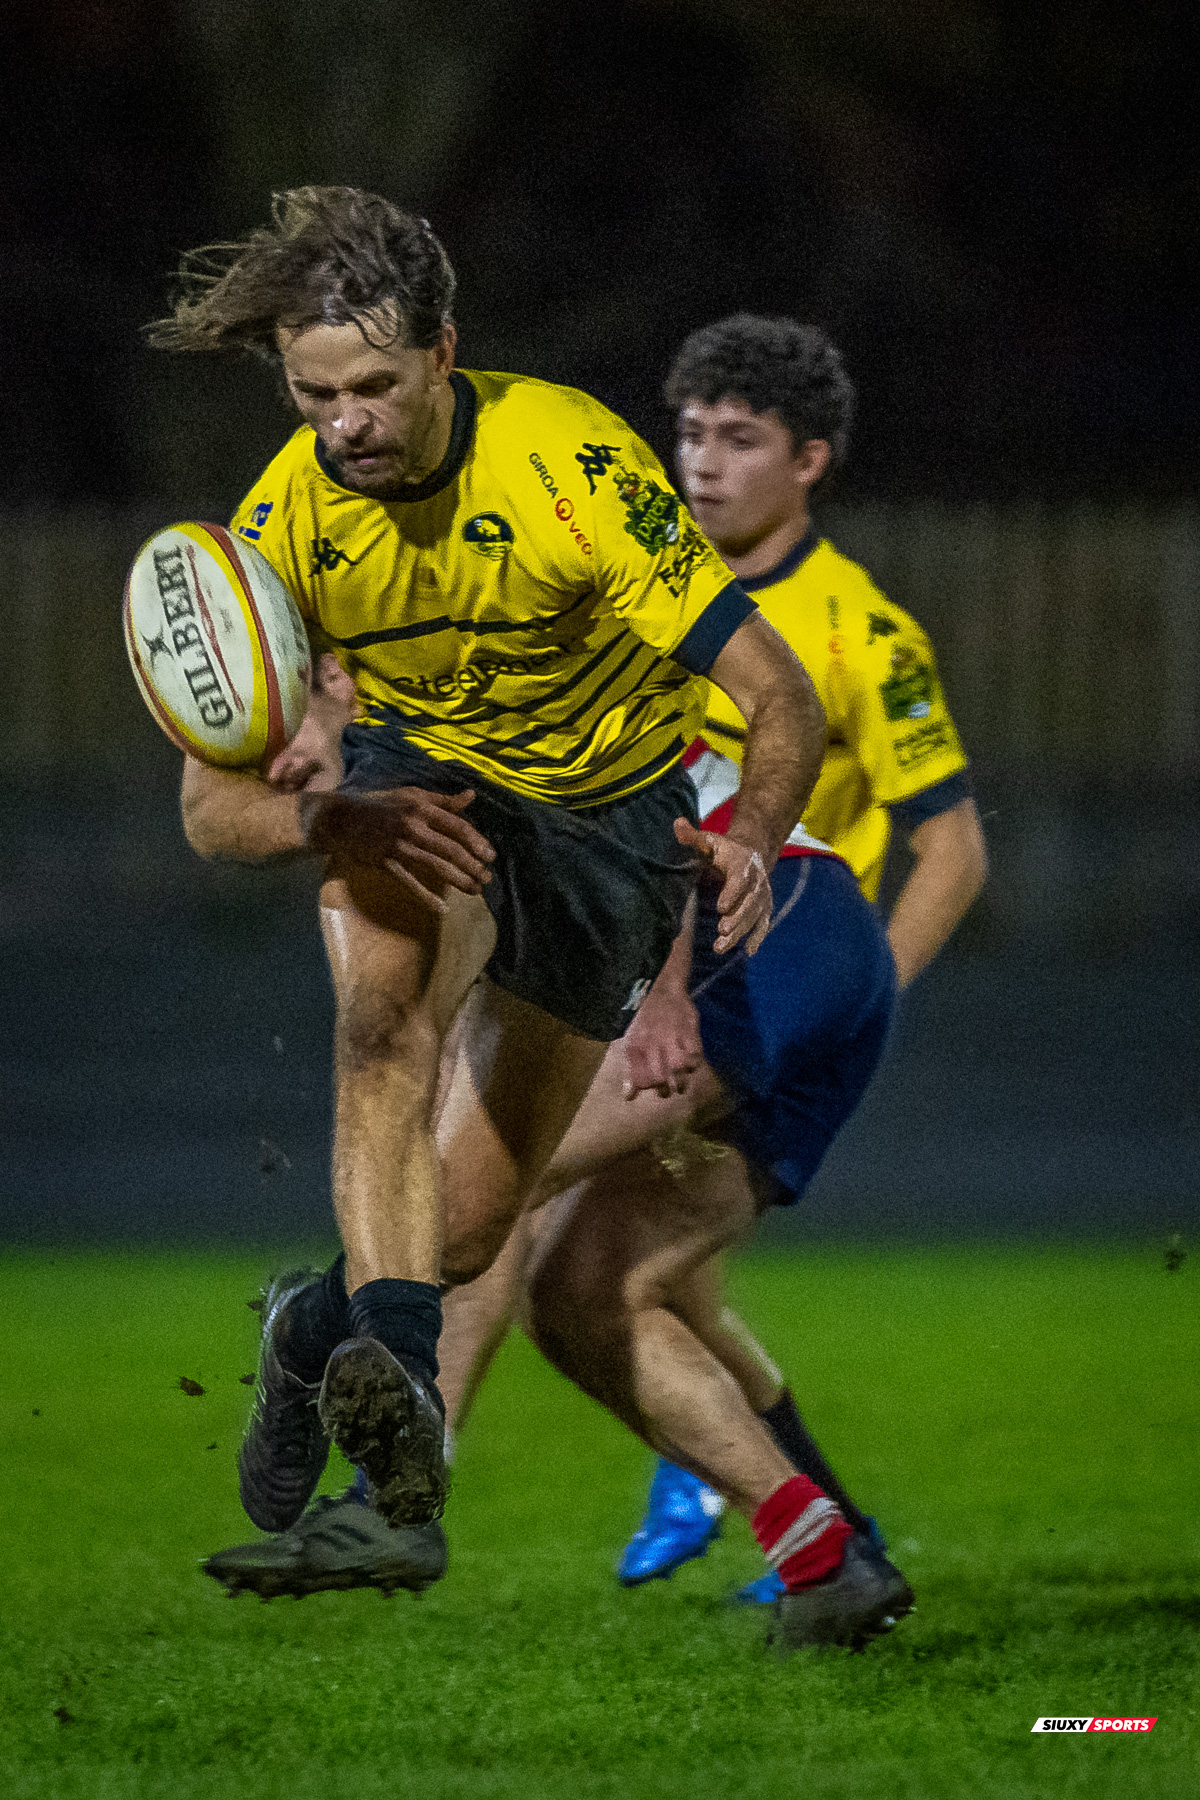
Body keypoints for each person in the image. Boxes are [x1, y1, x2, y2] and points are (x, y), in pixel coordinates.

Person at [204, 316, 986, 1651]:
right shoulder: (625, 560)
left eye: (739, 440)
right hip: (750, 956)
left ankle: (381, 1461)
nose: (701, 465)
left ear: (812, 463)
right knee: (603, 1289)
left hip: (768, 930)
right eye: (690, 435)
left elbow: (899, 841)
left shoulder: (831, 621)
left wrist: (708, 995)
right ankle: (829, 1556)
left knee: (483, 1206)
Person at [149, 191, 825, 1543]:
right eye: (313, 393)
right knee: (377, 1016)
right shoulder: (285, 524)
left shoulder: (573, 471)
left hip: (611, 822)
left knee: (459, 1232)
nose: (345, 426)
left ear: (444, 353)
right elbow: (207, 813)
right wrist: (331, 822)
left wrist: (749, 830)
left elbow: (781, 696)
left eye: (375, 388)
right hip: (424, 789)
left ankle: (311, 1329)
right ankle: (400, 1394)